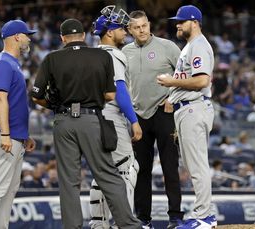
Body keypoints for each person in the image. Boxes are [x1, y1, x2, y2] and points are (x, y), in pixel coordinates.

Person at [31, 18, 142, 229]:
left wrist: (55, 105)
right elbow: (111, 94)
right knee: (108, 175)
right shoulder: (102, 56)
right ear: (83, 36)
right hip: (92, 119)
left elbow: (36, 96)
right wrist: (92, 100)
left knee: (69, 182)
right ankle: (128, 225)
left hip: (63, 122)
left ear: (63, 38)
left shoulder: (52, 58)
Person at [157, 5, 217, 228]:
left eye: (182, 21)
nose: (178, 25)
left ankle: (205, 216)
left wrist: (172, 83)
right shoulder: (190, 46)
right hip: (186, 109)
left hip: (194, 108)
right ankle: (203, 214)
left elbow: (202, 81)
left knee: (198, 166)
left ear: (195, 22)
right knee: (194, 166)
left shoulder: (199, 45)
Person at [122, 10, 183, 228]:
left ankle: (175, 217)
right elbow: (122, 85)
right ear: (129, 30)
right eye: (136, 27)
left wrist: (173, 98)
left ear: (149, 25)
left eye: (144, 26)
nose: (141, 30)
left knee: (170, 167)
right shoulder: (125, 52)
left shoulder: (168, 47)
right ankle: (143, 219)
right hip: (139, 116)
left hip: (163, 113)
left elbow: (185, 75)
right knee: (141, 170)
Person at [0, 19, 36, 229]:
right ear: (17, 36)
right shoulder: (3, 62)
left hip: (13, 135)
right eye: (27, 34)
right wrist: (5, 134)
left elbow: (12, 102)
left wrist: (23, 135)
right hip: (2, 136)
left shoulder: (11, 63)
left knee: (8, 190)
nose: (29, 38)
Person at [89, 6, 142, 228]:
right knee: (127, 168)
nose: (125, 31)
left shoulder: (92, 54)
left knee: (102, 172)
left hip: (91, 118)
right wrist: (134, 121)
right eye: (121, 28)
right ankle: (126, 223)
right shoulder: (114, 54)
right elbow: (120, 91)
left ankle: (98, 224)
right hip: (111, 116)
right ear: (109, 32)